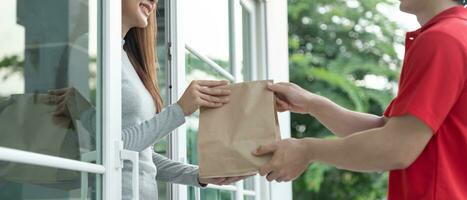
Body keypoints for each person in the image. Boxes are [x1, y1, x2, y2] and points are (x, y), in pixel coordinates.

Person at [253, 0, 467, 199]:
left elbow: (396, 147)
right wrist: (313, 104)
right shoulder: (456, 34)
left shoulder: (442, 39)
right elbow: (388, 131)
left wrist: (308, 150)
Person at [48, 0, 248, 199]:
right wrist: (179, 110)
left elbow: (139, 155)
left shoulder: (127, 58)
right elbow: (111, 148)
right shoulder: (92, 48)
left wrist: (198, 175)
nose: (154, 0)